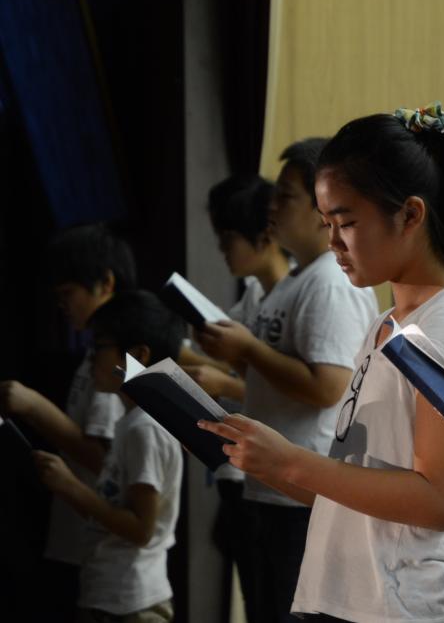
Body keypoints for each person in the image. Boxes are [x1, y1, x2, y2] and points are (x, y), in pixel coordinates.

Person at [200, 104, 444, 623]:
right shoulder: (388, 321)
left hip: (400, 609)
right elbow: (355, 483)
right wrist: (264, 458)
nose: (333, 244)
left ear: (411, 215)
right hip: (349, 603)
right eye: (325, 223)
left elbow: (437, 500)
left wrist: (293, 460)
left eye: (345, 222)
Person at [195, 139, 379, 622]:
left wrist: (247, 350)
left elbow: (327, 388)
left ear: (323, 207)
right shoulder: (297, 281)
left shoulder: (330, 282)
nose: (271, 207)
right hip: (271, 488)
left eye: (284, 196)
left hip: (304, 494)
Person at [0, 224, 134, 616]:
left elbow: (103, 460)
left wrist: (33, 407)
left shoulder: (114, 360)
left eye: (68, 294)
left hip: (93, 551)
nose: (62, 306)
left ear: (105, 283)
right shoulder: (95, 352)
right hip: (76, 543)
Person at [34, 290, 185, 622]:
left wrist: (70, 487)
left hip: (132, 604)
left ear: (139, 355)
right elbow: (113, 507)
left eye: (99, 348)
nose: (90, 360)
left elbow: (141, 529)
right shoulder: (130, 423)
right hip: (111, 597)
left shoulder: (145, 430)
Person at [186, 173, 291, 620]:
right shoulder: (256, 296)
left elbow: (317, 392)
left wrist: (226, 381)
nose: (221, 249)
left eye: (228, 237)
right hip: (252, 479)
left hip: (290, 488)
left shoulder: (312, 290)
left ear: (265, 233)